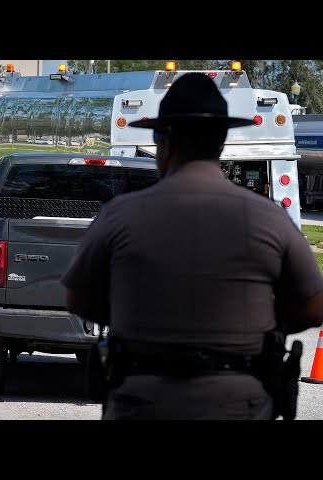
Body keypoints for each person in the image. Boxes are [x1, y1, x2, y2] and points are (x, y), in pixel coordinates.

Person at [61, 72, 323, 420]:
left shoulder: (120, 215)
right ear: (220, 141)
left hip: (143, 402)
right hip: (236, 403)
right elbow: (313, 306)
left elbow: (78, 299)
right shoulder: (268, 219)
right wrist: (258, 322)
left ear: (164, 141)